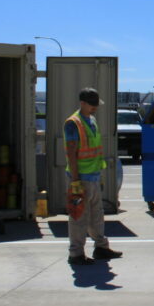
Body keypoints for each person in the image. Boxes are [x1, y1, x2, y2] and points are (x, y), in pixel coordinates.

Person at [64, 87, 122, 265]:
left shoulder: (91, 120)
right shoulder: (73, 123)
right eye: (92, 105)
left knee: (96, 214)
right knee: (79, 216)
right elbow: (71, 153)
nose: (95, 108)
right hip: (80, 177)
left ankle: (101, 247)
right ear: (82, 103)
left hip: (93, 176)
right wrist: (75, 181)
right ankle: (76, 253)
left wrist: (100, 175)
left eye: (96, 105)